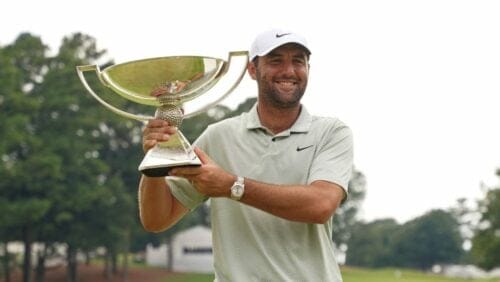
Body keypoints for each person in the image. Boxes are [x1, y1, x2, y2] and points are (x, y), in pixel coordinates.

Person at [138, 28, 353, 281]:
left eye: (298, 61)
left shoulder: (331, 132)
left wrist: (232, 186)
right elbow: (157, 220)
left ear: (308, 69)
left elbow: (320, 205)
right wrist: (157, 158)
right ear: (253, 70)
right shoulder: (218, 136)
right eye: (276, 61)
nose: (289, 70)